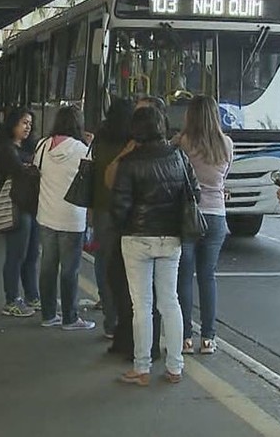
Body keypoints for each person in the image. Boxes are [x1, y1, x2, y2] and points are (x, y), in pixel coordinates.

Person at [110, 106, 195, 385]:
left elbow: (119, 206)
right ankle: (175, 366)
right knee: (170, 302)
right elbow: (192, 192)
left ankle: (142, 367)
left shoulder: (130, 162)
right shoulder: (179, 157)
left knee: (142, 306)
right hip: (171, 238)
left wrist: (125, 225)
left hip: (136, 238)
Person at [175, 95, 233, 356]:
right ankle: (208, 338)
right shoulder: (226, 144)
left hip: (188, 215)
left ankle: (185, 337)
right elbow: (223, 177)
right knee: (208, 277)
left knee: (184, 277)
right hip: (216, 216)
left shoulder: (182, 143)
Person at [34, 106, 95, 330]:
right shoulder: (82, 150)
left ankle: (48, 314)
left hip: (47, 215)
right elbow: (90, 180)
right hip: (73, 217)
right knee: (70, 269)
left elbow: (37, 172)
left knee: (48, 266)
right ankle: (70, 317)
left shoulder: (42, 146)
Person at [90, 98, 134, 339]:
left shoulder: (100, 138)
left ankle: (110, 320)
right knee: (126, 266)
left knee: (103, 261)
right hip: (126, 209)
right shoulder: (133, 142)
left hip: (101, 207)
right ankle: (125, 319)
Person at [0, 107, 40, 317]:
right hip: (15, 208)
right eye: (23, 123)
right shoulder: (6, 149)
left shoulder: (30, 146)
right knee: (15, 255)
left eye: (29, 123)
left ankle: (32, 296)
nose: (27, 127)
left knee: (32, 255)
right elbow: (23, 172)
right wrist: (33, 167)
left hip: (32, 207)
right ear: (13, 125)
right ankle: (11, 299)